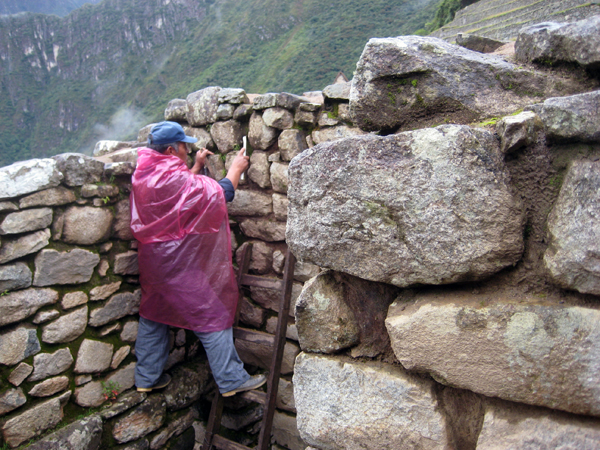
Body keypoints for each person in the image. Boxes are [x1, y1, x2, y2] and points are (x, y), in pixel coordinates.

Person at [130, 121, 265, 397]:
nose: (187, 149)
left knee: (154, 315)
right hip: (178, 263)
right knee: (211, 312)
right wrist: (235, 170)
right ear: (170, 150)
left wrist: (194, 167)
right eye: (184, 147)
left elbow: (176, 199)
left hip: (153, 262)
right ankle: (231, 379)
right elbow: (220, 194)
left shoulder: (144, 173)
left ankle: (146, 377)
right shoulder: (175, 179)